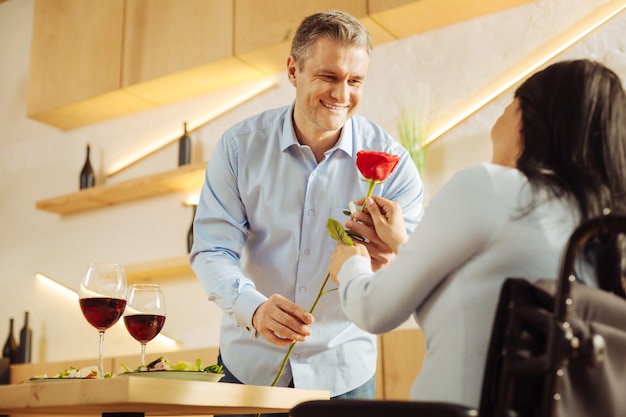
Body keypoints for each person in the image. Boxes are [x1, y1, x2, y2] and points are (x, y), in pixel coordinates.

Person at [328, 59, 626, 408]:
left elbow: (374, 310)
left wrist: (351, 265)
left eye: (507, 106)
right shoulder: (605, 232)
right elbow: (482, 311)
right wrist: (403, 246)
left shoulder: (490, 186)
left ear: (525, 119)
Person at [190, 9, 424, 415]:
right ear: (293, 71)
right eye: (329, 77)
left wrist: (392, 255)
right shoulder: (239, 148)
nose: (342, 94)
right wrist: (254, 308)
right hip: (249, 366)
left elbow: (419, 264)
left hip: (344, 373)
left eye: (355, 81)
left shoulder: (394, 164)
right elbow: (212, 249)